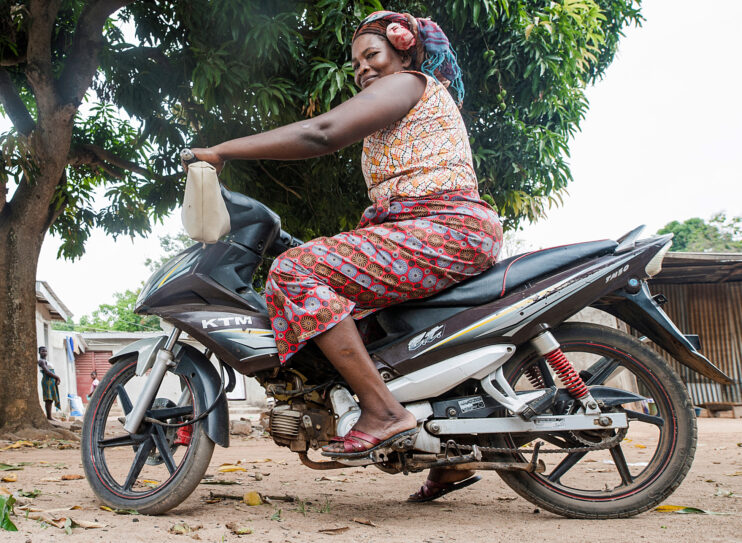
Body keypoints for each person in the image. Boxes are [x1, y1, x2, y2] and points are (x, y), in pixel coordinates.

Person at [188, 11, 503, 502]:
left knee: (293, 272)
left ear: (405, 52)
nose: (363, 70)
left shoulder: (408, 83)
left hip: (443, 227)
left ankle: (382, 412)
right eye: (355, 65)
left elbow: (322, 132)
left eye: (371, 55)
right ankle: (450, 454)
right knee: (374, 326)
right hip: (434, 229)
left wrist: (223, 151)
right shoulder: (404, 97)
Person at [38, 346, 60, 420]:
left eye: (45, 351)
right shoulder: (41, 361)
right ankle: (49, 417)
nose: (44, 352)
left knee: (50, 399)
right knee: (48, 399)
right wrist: (57, 377)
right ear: (39, 352)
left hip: (51, 381)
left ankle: (49, 416)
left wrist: (56, 379)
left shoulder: (46, 361)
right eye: (42, 351)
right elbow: (47, 371)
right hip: (47, 381)